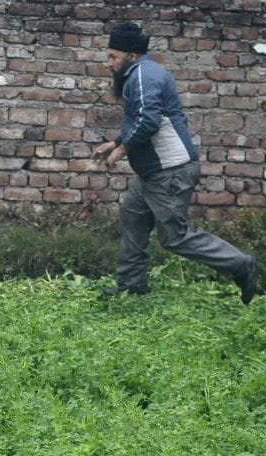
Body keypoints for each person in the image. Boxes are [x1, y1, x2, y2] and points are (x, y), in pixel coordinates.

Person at [92, 22, 258, 304]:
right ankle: (132, 285)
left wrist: (122, 151)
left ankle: (240, 264)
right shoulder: (142, 72)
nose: (108, 63)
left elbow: (149, 121)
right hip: (154, 173)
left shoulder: (143, 76)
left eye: (113, 57)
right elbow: (144, 117)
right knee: (133, 215)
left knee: (174, 237)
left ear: (131, 55)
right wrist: (115, 142)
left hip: (169, 171)